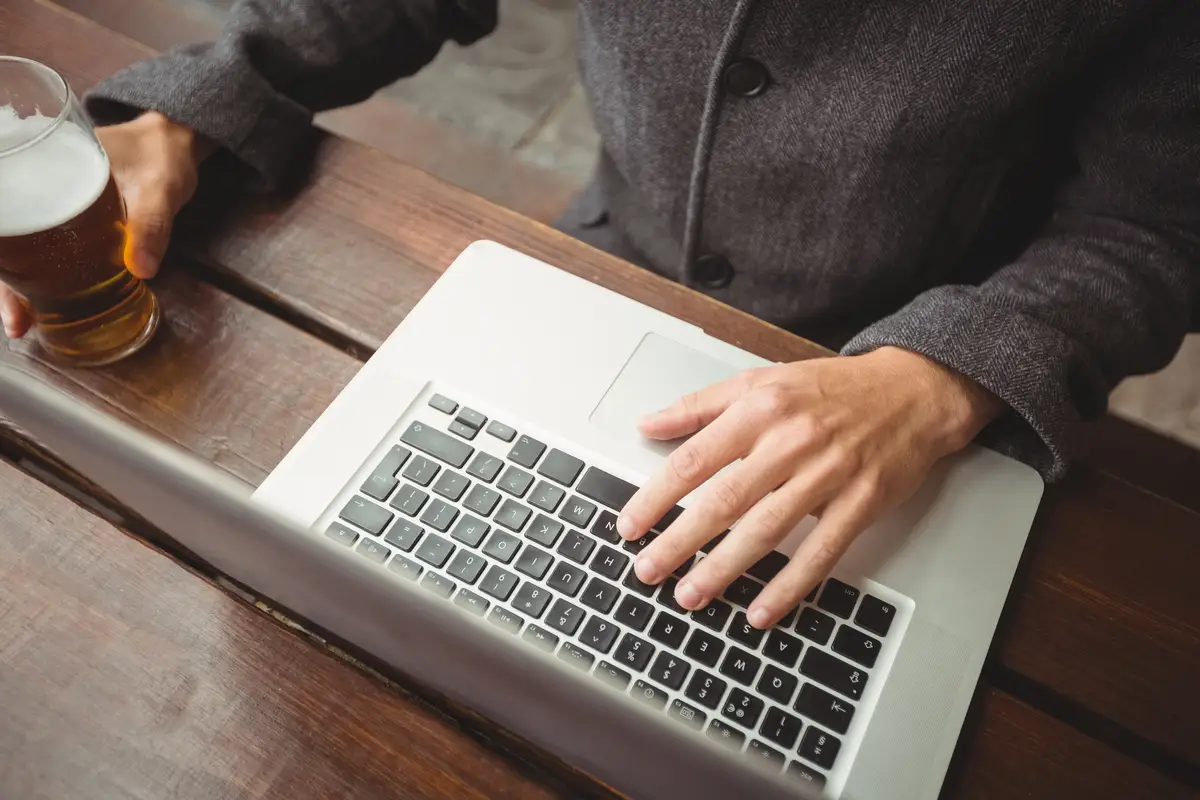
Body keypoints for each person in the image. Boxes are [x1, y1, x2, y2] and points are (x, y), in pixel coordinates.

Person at [10, 1, 1195, 629]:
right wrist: (206, 98)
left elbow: (1155, 225)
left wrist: (946, 373)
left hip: (926, 366)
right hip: (612, 268)